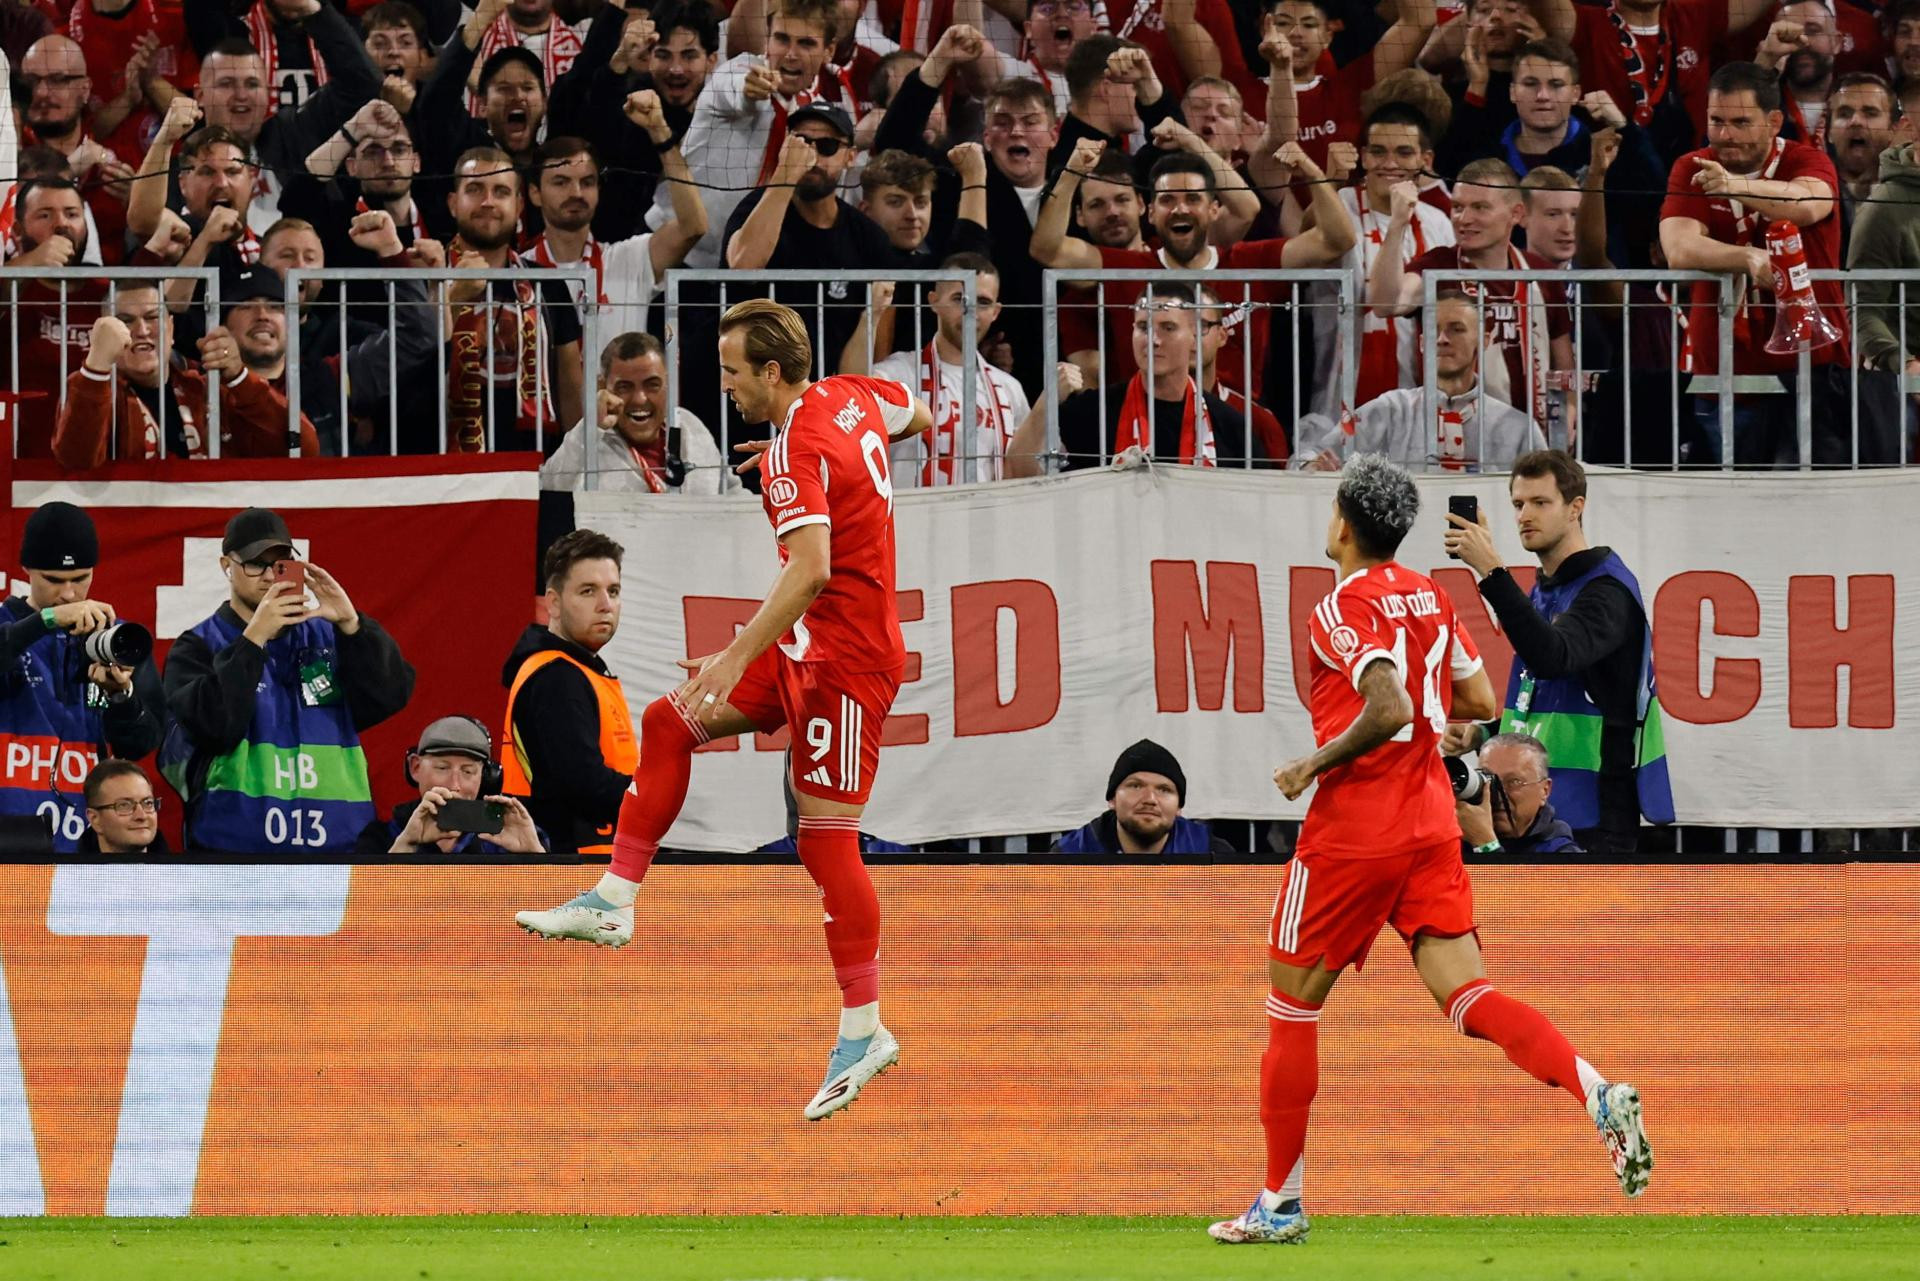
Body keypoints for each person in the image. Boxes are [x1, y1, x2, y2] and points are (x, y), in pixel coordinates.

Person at [1209, 454, 1651, 1247]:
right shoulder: (1428, 594)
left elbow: (1384, 706)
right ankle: (1594, 1089)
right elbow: (1478, 698)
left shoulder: (1338, 605)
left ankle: (1279, 1202)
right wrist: (1426, 711)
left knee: (1291, 1009)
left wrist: (1311, 763)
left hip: (1353, 832)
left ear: (1345, 524)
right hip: (1430, 823)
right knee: (1470, 996)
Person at [515, 299, 933, 1124]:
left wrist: (736, 652)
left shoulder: (797, 448)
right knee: (669, 722)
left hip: (845, 665)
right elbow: (912, 415)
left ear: (772, 372)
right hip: (810, 645)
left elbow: (811, 569)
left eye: (734, 371)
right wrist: (821, 463)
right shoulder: (849, 395)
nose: (725, 385)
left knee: (827, 842)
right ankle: (615, 899)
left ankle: (864, 1029)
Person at [1442, 449, 1673, 855]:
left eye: (1540, 502)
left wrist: (1493, 572)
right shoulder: (1549, 588)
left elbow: (1553, 658)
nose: (1525, 516)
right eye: (1518, 504)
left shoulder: (1607, 591)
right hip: (1544, 815)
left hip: (1594, 821)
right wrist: (1484, 733)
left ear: (1575, 508)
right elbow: (1545, 706)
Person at [160, 507, 415, 854]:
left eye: (280, 564)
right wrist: (254, 640)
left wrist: (353, 625)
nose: (269, 576)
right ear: (226, 566)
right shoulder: (198, 645)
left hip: (339, 849)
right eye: (255, 564)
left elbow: (391, 695)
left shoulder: (328, 636)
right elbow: (214, 726)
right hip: (234, 857)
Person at [1659, 61, 1855, 468]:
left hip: (1812, 373)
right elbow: (1679, 247)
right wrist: (1746, 258)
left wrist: (1733, 185)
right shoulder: (1691, 167)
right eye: (1716, 121)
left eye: (1740, 122)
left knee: (1813, 497)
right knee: (1730, 499)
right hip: (1725, 375)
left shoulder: (1809, 160)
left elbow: (1805, 204)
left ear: (1774, 122)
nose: (1725, 135)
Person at [0, 503, 164, 852]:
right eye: (53, 580)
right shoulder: (7, 629)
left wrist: (121, 696)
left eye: (81, 578)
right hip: (9, 838)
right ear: (26, 569)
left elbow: (142, 744)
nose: (69, 594)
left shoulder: (117, 641)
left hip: (88, 842)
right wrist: (47, 620)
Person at [1370, 157, 1574, 430]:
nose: (1464, 219)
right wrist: (1397, 224)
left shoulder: (1541, 273)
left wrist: (1569, 410)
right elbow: (1385, 304)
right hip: (1452, 437)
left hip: (1532, 439)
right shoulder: (1437, 266)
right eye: (1458, 207)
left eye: (1480, 207)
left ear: (1516, 214)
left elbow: (1563, 364)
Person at [51, 281, 305, 467]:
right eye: (125, 320)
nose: (142, 330)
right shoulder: (88, 389)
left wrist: (240, 379)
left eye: (152, 317)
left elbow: (301, 445)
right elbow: (75, 460)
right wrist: (96, 367)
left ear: (170, 329)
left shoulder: (205, 391)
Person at [499, 528, 637, 853]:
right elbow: (583, 785)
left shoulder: (574, 670)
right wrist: (657, 794)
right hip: (573, 865)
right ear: (554, 603)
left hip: (586, 859)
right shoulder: (557, 677)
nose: (606, 605)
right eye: (588, 591)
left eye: (613, 591)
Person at [1295, 293, 1546, 471]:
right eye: (1434, 330)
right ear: (1422, 343)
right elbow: (1309, 455)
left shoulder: (1518, 429)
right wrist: (1311, 466)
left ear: (1484, 340)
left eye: (1456, 329)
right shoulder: (1389, 410)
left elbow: (1548, 492)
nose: (1442, 339)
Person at [869, 253, 1031, 486]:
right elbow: (851, 394)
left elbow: (1026, 467)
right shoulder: (900, 373)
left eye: (983, 302)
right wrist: (872, 315)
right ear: (934, 301)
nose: (971, 312)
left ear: (996, 312)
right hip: (913, 509)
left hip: (987, 510)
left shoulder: (1009, 389)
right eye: (959, 299)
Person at [541, 332, 735, 493]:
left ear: (668, 384)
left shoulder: (688, 425)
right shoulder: (588, 441)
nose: (639, 399)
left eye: (652, 385)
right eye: (624, 387)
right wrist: (590, 427)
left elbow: (731, 491)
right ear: (602, 387)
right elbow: (549, 488)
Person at [357, 714, 548, 857]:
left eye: (468, 771)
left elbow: (550, 898)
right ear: (415, 767)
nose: (454, 785)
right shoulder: (380, 837)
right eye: (442, 768)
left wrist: (534, 854)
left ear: (486, 778)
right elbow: (363, 898)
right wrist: (406, 845)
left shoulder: (506, 838)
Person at [1053, 739, 1234, 854]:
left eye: (1164, 790)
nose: (1150, 799)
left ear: (1179, 807)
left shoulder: (1212, 853)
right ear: (1112, 799)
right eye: (1136, 786)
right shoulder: (1069, 854)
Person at [1454, 731, 1582, 857]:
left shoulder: (1562, 854)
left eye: (1514, 782)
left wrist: (1486, 845)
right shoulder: (1458, 838)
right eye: (1489, 780)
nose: (1497, 794)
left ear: (1545, 790)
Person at [77, 759, 170, 855]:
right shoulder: (69, 865)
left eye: (148, 803)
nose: (141, 816)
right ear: (95, 819)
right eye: (124, 805)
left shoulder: (176, 864)